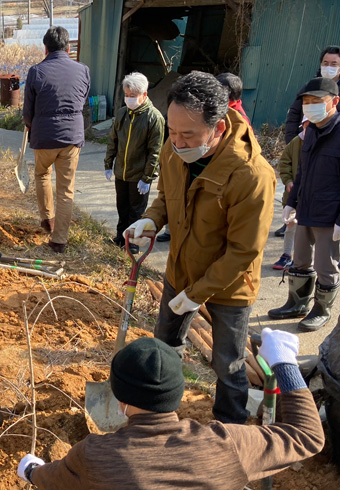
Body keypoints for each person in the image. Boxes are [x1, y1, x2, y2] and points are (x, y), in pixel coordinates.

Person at [127, 71, 276, 424]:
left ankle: (231, 425)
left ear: (219, 128)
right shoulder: (174, 147)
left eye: (187, 135)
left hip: (230, 285)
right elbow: (167, 197)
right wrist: (151, 220)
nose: (176, 142)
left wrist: (197, 294)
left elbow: (243, 252)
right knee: (164, 345)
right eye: (173, 132)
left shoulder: (251, 175)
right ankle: (156, 413)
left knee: (228, 361)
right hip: (182, 269)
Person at [16, 332, 324, 489]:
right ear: (177, 395)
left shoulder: (95, 457)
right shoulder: (224, 445)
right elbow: (306, 436)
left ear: (120, 400)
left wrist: (30, 470)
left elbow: (50, 478)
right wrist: (284, 363)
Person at [270, 77, 340, 332]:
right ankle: (296, 303)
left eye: (317, 101)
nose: (310, 106)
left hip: (329, 215)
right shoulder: (310, 132)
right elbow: (302, 172)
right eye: (307, 102)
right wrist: (292, 202)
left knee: (325, 265)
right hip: (306, 209)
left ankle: (322, 310)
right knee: (299, 260)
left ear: (335, 102)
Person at [23, 26, 90, 253]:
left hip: (44, 136)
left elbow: (27, 111)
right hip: (72, 136)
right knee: (66, 189)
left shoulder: (36, 71)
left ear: (45, 48)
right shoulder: (83, 70)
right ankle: (59, 240)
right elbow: (82, 99)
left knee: (42, 174)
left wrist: (29, 123)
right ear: (68, 47)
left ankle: (47, 220)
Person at [104, 72, 165, 254]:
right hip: (121, 171)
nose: (129, 99)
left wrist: (147, 178)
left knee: (136, 211)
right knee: (122, 207)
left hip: (139, 175)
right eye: (127, 95)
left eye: (133, 96)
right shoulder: (122, 114)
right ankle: (119, 239)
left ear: (144, 95)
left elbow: (155, 151)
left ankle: (132, 245)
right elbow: (112, 140)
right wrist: (109, 164)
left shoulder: (154, 118)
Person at [272, 116, 309, 270]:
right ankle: (286, 255)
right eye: (307, 126)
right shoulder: (296, 142)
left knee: (307, 230)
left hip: (313, 197)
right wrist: (287, 181)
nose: (309, 129)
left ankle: (302, 259)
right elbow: (284, 162)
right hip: (294, 195)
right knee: (291, 225)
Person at [285, 45, 340, 143]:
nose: (328, 67)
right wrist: (291, 141)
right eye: (325, 63)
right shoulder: (310, 87)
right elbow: (294, 113)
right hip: (303, 140)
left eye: (333, 64)